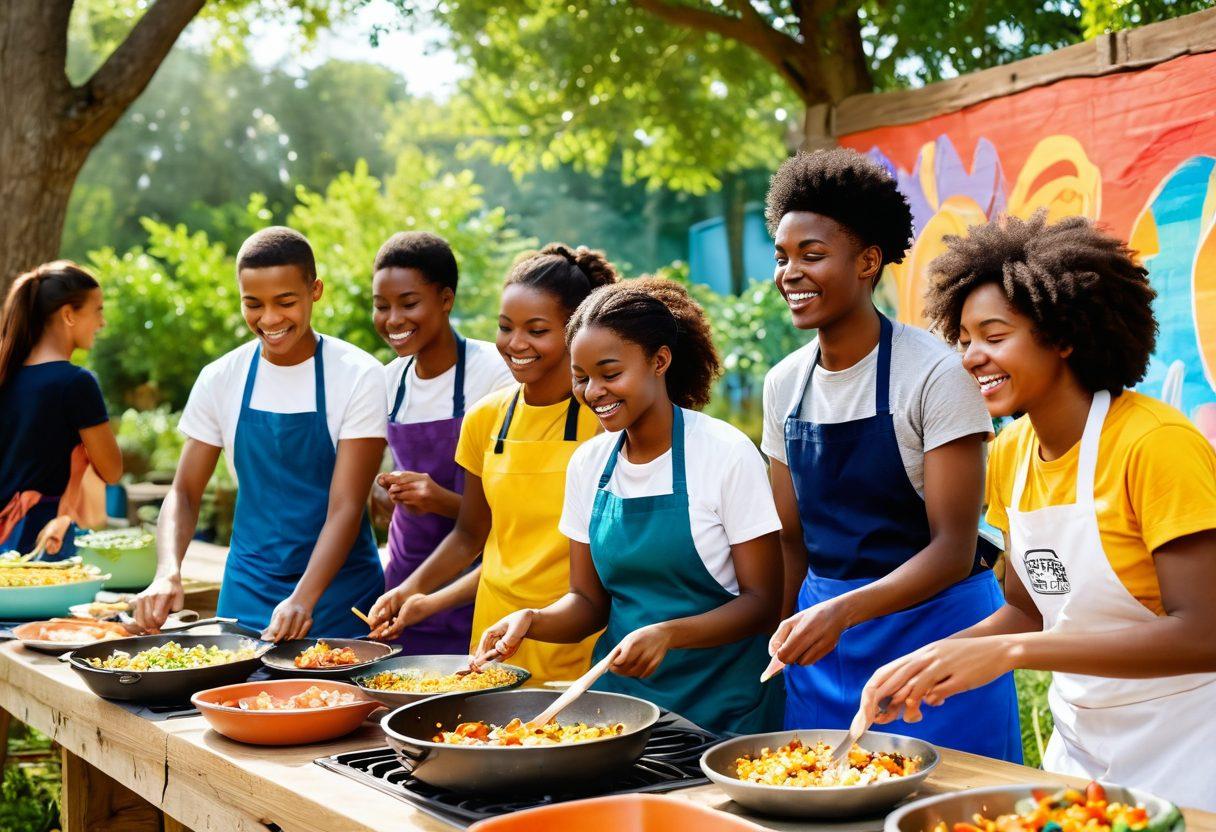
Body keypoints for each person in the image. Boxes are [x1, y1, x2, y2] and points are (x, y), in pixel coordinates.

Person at [862, 213, 1216, 810]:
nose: (971, 358)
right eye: (965, 340)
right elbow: (1028, 612)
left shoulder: (1156, 444)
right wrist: (931, 658)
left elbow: (1205, 633)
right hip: (1080, 755)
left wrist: (1011, 654)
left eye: (994, 337)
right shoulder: (1009, 456)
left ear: (1063, 336)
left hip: (1189, 751)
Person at [761, 149, 1020, 761]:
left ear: (868, 261)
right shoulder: (783, 385)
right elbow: (791, 541)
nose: (789, 273)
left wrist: (844, 612)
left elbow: (954, 550)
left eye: (812, 255)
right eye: (782, 258)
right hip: (823, 649)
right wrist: (780, 641)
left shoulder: (934, 373)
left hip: (936, 642)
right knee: (819, 802)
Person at [473, 278, 785, 734]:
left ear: (659, 361)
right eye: (581, 377)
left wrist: (669, 633)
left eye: (610, 373)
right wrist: (532, 620)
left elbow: (763, 603)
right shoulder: (589, 464)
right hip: (623, 716)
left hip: (724, 712)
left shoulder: (724, 453)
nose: (594, 391)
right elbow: (587, 603)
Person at [367, 244, 610, 683]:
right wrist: (413, 591)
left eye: (536, 330)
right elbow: (470, 535)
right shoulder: (484, 418)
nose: (515, 344)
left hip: (575, 632)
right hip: (492, 637)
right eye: (505, 327)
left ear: (576, 331)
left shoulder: (602, 422)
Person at [133, 227, 386, 640]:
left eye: (285, 302)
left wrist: (304, 598)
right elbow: (184, 493)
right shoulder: (220, 378)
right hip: (247, 593)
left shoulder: (357, 375)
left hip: (340, 599)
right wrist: (167, 572)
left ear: (315, 291)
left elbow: (346, 505)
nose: (269, 319)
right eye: (253, 304)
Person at [370, 231, 514, 654]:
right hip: (403, 580)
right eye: (382, 306)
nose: (393, 319)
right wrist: (377, 495)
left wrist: (440, 500)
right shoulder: (388, 381)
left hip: (478, 581)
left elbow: (508, 513)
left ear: (446, 299)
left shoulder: (493, 374)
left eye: (409, 303)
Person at [0, 262, 122, 557]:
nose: (102, 323)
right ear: (69, 315)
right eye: (98, 310)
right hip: (43, 540)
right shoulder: (75, 383)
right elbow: (112, 470)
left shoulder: (6, 374)